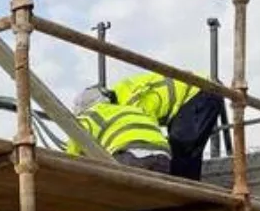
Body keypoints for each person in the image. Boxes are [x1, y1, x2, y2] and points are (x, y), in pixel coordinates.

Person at [87, 72, 224, 180]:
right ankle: (186, 189)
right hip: (198, 92)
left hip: (202, 91)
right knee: (185, 149)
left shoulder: (130, 103)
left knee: (181, 145)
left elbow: (145, 130)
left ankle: (185, 193)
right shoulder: (122, 93)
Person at [69, 87, 171, 174]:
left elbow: (73, 150)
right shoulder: (130, 109)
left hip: (130, 154)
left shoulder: (88, 116)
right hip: (163, 156)